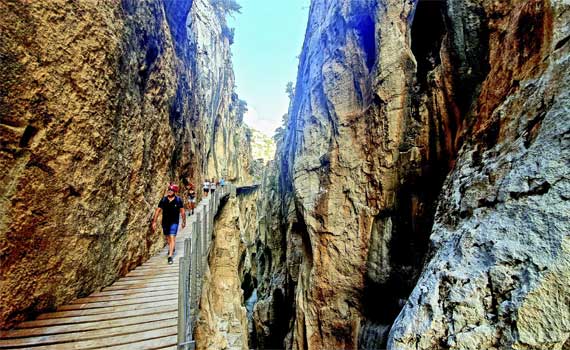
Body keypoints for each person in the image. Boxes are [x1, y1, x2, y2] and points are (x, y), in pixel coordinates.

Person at [152, 184, 185, 264]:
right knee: (168, 238)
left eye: (171, 190)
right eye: (169, 190)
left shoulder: (178, 200)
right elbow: (158, 210)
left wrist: (184, 222)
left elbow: (182, 212)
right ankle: (172, 248)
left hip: (174, 222)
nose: (169, 191)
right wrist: (154, 221)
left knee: (172, 237)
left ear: (175, 191)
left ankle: (170, 256)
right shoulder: (164, 200)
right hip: (165, 222)